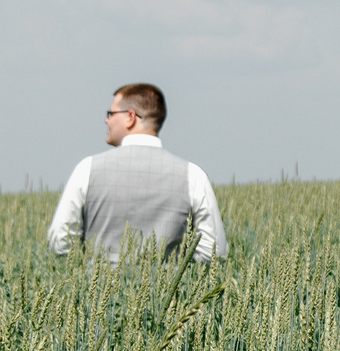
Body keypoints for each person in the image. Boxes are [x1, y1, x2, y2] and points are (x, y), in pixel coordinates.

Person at [48, 82, 228, 263]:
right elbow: (214, 251)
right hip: (170, 281)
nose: (106, 120)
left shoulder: (87, 169)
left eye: (111, 113)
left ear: (131, 117)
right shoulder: (192, 175)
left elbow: (60, 242)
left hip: (95, 279)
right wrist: (175, 269)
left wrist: (89, 266)